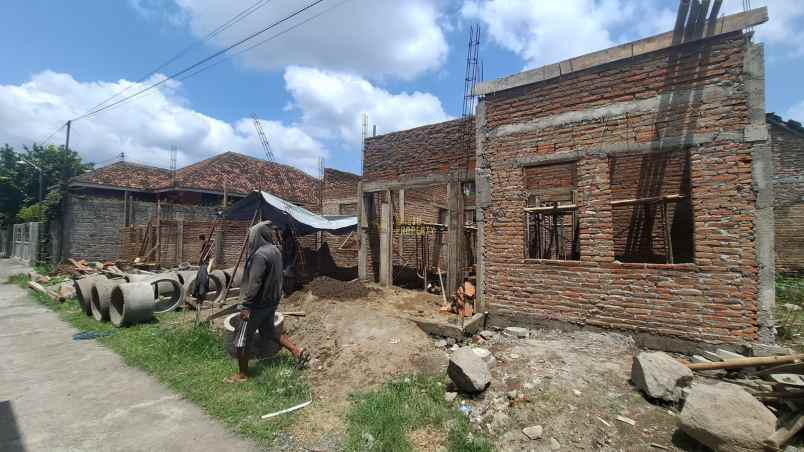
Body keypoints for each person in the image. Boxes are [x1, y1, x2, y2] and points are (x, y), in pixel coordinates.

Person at [226, 221, 309, 383]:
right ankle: (296, 350)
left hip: (256, 305)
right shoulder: (275, 250)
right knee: (269, 332)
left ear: (257, 236)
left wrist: (246, 306)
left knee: (241, 339)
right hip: (271, 302)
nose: (250, 240)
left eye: (251, 236)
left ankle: (242, 374)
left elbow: (255, 282)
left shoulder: (260, 255)